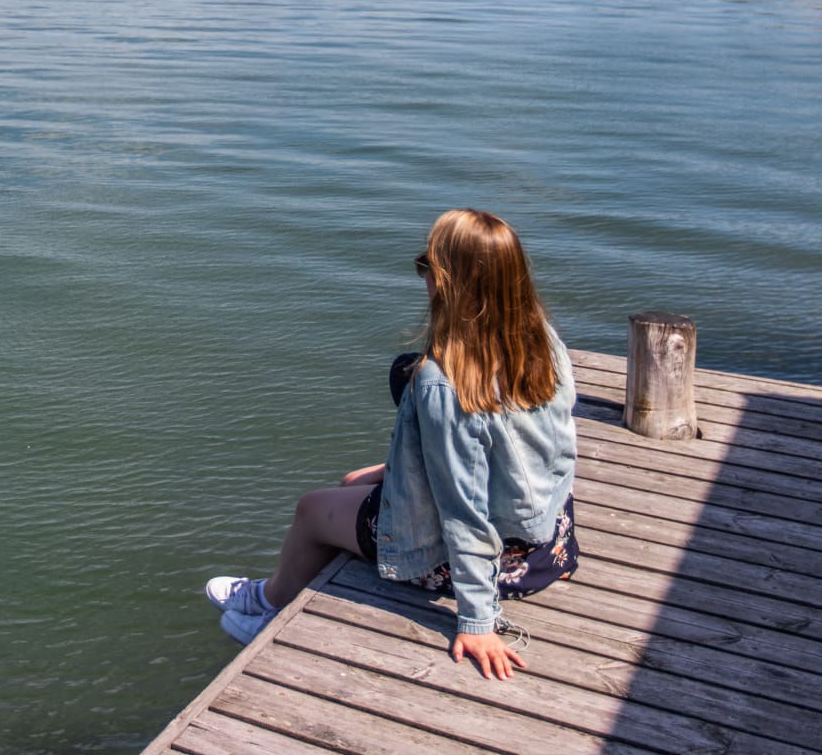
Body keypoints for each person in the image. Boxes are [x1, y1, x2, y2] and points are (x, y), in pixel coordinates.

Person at [205, 208, 579, 681]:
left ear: (445, 283)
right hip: (550, 546)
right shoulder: (544, 342)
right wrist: (392, 471)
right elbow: (535, 450)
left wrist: (478, 621)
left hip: (493, 565)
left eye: (427, 265)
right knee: (353, 482)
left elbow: (464, 511)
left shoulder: (443, 382)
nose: (423, 274)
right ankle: (276, 598)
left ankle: (266, 603)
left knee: (310, 510)